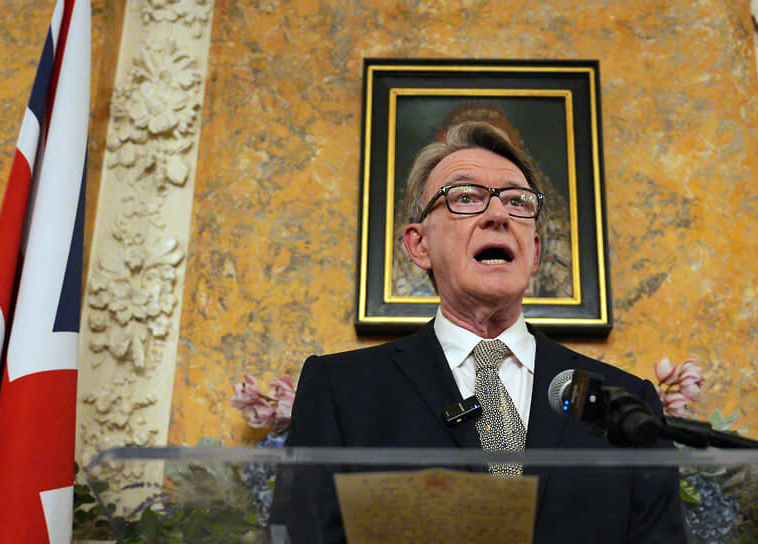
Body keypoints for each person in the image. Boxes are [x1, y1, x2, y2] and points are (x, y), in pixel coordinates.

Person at [276, 121, 687, 542]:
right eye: (466, 198)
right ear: (419, 246)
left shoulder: (625, 404)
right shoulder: (341, 390)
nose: (498, 215)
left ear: (536, 252)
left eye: (517, 201)